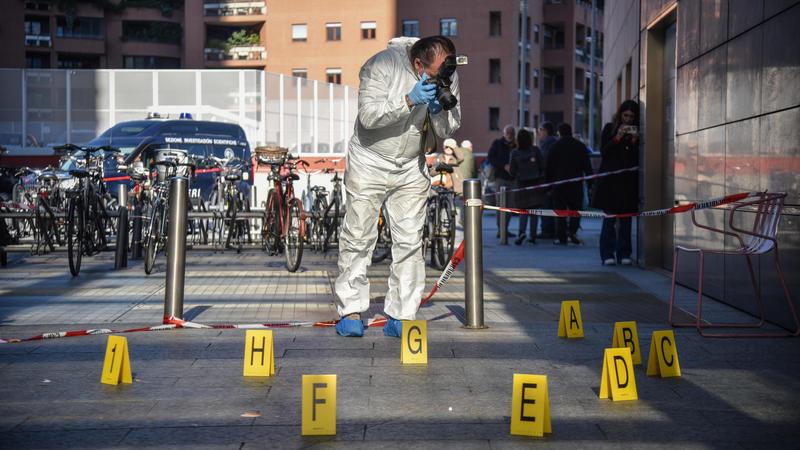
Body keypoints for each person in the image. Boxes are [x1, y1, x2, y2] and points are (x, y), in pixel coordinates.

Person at [334, 36, 461, 338]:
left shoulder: (448, 73)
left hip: (410, 164)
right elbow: (367, 117)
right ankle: (351, 310)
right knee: (358, 236)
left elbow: (450, 126)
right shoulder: (380, 65)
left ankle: (403, 313)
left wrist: (436, 111)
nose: (442, 81)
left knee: (409, 240)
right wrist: (407, 101)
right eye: (433, 76)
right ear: (418, 65)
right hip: (370, 159)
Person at [591, 100, 640, 265]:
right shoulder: (609, 128)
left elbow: (635, 159)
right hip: (610, 182)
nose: (628, 120)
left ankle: (624, 253)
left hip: (628, 183)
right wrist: (617, 137)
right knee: (609, 220)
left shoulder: (636, 132)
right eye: (625, 115)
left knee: (626, 220)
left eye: (632, 117)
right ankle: (607, 254)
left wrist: (634, 141)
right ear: (620, 114)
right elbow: (604, 151)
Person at [546, 123, 593, 245]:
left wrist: (548, 186)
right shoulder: (580, 146)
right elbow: (587, 167)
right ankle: (572, 232)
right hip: (576, 184)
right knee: (575, 210)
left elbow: (549, 168)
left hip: (559, 185)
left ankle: (561, 236)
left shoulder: (554, 147)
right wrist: (590, 184)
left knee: (560, 211)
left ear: (559, 133)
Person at [509, 129, 545, 245]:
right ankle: (533, 235)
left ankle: (521, 232)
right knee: (534, 211)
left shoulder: (515, 153)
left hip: (521, 185)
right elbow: (542, 166)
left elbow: (512, 171)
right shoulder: (535, 150)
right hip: (535, 184)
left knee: (523, 211)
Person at [488, 125, 517, 238]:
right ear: (504, 134)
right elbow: (491, 158)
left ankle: (505, 229)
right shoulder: (497, 144)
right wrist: (503, 165)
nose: (510, 135)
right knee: (500, 205)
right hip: (500, 178)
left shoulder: (516, 145)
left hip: (512, 179)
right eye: (508, 133)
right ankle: (501, 230)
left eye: (512, 133)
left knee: (509, 206)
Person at [536, 122, 557, 240]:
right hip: (554, 180)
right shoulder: (554, 142)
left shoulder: (547, 144)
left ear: (546, 131)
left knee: (546, 205)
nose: (539, 132)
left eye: (540, 129)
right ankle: (551, 229)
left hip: (547, 180)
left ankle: (547, 230)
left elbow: (544, 162)